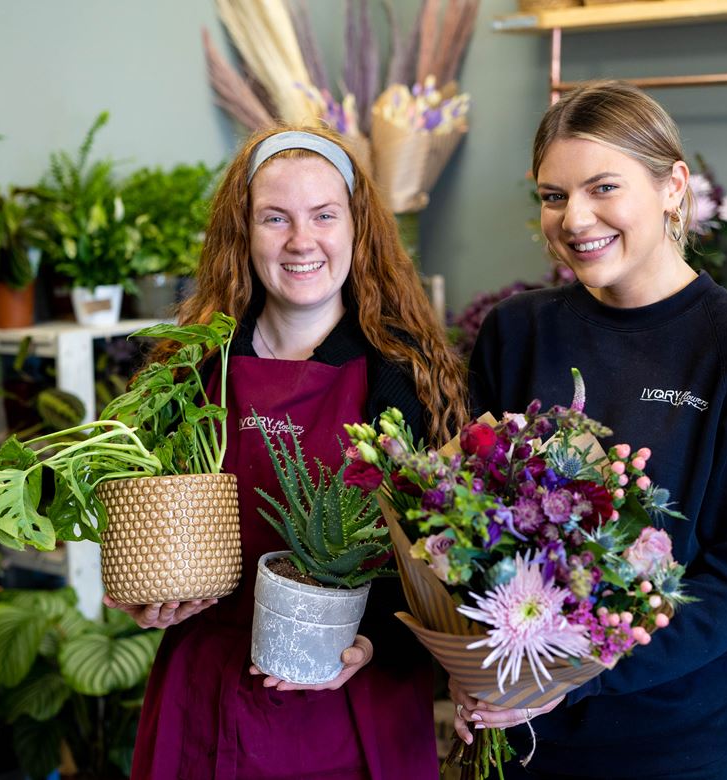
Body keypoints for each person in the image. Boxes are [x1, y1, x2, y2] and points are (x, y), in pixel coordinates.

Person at [459, 80, 727, 779]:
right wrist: (470, 658)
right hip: (517, 736)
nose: (575, 218)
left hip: (668, 741)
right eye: (553, 196)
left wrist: (575, 675)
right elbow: (469, 529)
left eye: (603, 187)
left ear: (673, 187)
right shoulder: (515, 333)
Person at [106, 125, 468, 779]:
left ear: (357, 228)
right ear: (243, 234)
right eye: (276, 218)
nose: (302, 241)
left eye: (323, 216)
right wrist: (145, 589)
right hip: (208, 699)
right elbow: (147, 518)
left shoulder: (407, 376)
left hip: (357, 700)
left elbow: (440, 556)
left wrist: (373, 642)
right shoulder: (188, 370)